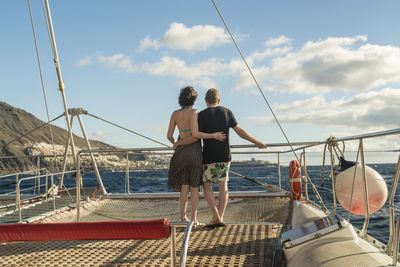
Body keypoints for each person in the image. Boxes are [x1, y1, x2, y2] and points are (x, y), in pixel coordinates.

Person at [191, 88, 267, 227]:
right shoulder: (226, 112)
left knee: (207, 186)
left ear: (206, 100)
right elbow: (240, 131)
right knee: (223, 187)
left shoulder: (200, 115)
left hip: (209, 155)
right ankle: (221, 216)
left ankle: (215, 216)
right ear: (218, 100)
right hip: (224, 154)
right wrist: (256, 142)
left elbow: (197, 134)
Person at [167, 86, 225, 227]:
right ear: (194, 99)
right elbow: (194, 136)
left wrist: (176, 143)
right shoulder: (194, 112)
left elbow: (169, 136)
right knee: (194, 188)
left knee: (184, 187)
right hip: (194, 152)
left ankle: (183, 217)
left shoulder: (175, 114)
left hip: (181, 152)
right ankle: (193, 219)